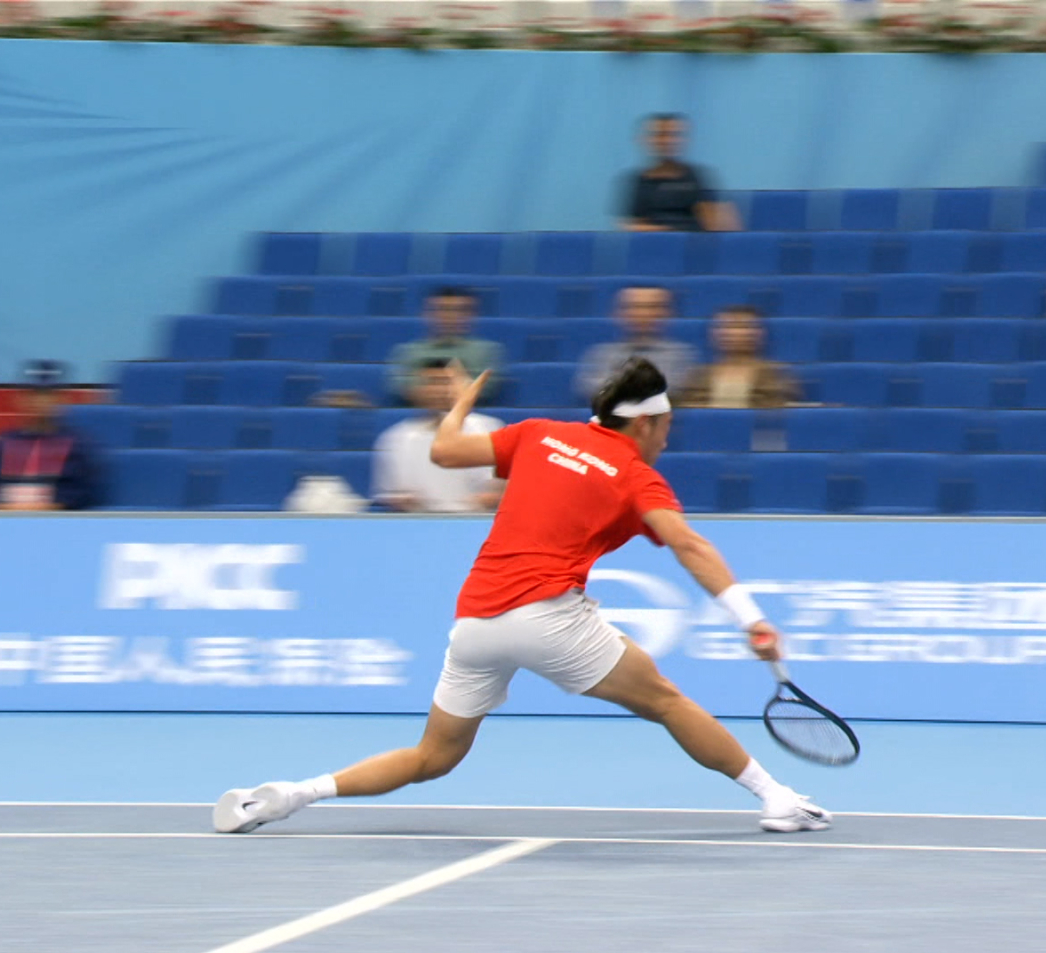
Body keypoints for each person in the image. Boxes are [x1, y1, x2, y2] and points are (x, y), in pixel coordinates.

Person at [214, 358, 831, 835]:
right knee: (667, 701)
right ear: (643, 421)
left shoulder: (538, 434)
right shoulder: (638, 474)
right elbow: (688, 545)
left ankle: (296, 793)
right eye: (668, 426)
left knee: (433, 755)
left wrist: (458, 406)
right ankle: (777, 798)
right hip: (548, 617)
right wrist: (750, 619)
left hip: (476, 620)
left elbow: (444, 451)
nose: (668, 438)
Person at [375, 359, 505, 513]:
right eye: (432, 382)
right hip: (421, 526)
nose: (439, 390)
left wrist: (493, 496)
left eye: (447, 382)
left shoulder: (490, 429)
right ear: (416, 391)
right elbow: (396, 496)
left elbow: (503, 487)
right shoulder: (396, 439)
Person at [0, 360, 98, 511]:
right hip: (4, 526)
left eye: (48, 394)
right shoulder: (0, 444)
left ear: (63, 398)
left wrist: (31, 512)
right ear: (19, 398)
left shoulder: (79, 447)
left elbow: (80, 499)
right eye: (32, 393)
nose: (39, 401)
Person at [618, 113, 739, 233]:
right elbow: (631, 227)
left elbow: (721, 226)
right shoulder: (636, 181)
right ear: (647, 139)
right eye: (661, 135)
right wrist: (670, 234)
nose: (668, 141)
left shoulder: (698, 177)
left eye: (674, 135)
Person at [576, 286, 698, 399]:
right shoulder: (601, 354)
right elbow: (594, 390)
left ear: (667, 312)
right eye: (634, 306)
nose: (643, 313)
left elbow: (671, 392)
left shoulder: (681, 355)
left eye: (652, 307)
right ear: (618, 313)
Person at [388, 286, 503, 403]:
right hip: (422, 416)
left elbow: (487, 387)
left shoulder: (485, 351)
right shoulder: (409, 352)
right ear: (428, 314)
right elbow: (399, 386)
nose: (449, 316)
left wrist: (432, 390)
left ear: (470, 315)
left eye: (458, 310)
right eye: (442, 309)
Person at [677, 306, 801, 409]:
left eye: (744, 326)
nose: (735, 333)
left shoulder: (777, 374)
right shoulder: (698, 375)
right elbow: (686, 413)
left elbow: (782, 414)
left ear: (759, 333)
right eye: (728, 326)